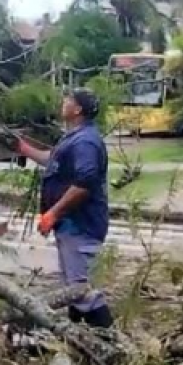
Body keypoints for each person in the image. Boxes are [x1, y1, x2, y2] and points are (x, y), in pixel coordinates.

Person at [13, 88, 114, 328]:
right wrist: (24, 149)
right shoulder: (76, 137)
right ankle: (80, 340)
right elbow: (53, 160)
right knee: (72, 286)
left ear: (77, 109)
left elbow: (84, 183)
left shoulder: (86, 142)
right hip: (71, 224)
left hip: (80, 224)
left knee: (80, 290)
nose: (63, 103)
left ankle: (109, 344)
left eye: (68, 100)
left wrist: (53, 213)